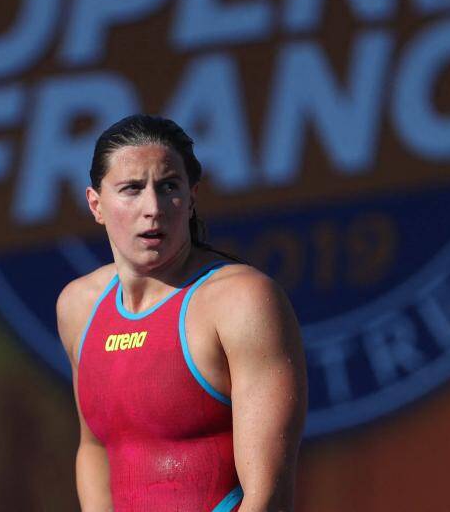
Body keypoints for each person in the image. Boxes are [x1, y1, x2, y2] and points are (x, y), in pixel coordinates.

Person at [56, 114, 307, 512]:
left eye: (169, 186)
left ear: (191, 198)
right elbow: (95, 447)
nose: (152, 208)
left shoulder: (241, 299)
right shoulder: (78, 306)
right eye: (132, 189)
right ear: (96, 204)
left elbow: (268, 498)